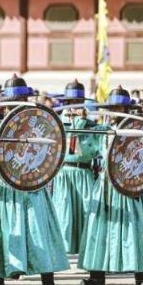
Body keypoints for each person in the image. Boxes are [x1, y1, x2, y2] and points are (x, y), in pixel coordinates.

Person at [0, 75, 69, 285]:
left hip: (32, 186)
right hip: (6, 187)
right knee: (0, 233)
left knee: (37, 233)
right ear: (4, 104)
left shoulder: (42, 126)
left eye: (20, 100)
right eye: (11, 102)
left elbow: (54, 149)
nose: (14, 106)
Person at [78, 87, 143, 285]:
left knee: (134, 230)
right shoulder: (102, 130)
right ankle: (97, 276)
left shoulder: (139, 130)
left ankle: (140, 277)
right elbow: (85, 151)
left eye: (120, 107)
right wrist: (80, 122)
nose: (116, 109)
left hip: (130, 186)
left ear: (127, 108)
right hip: (106, 184)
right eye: (113, 107)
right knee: (99, 229)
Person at [51, 80, 103, 254]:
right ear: (65, 103)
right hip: (64, 173)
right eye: (71, 103)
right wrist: (78, 122)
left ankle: (88, 251)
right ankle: (63, 253)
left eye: (78, 103)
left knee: (88, 212)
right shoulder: (57, 122)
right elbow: (68, 141)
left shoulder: (91, 124)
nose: (74, 107)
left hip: (84, 173)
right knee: (64, 214)